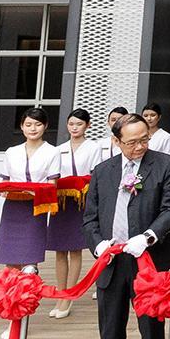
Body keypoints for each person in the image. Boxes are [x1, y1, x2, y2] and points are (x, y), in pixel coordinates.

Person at [75, 114, 170, 339]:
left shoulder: (165, 165)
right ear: (116, 141)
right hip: (111, 261)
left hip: (148, 260)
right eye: (132, 141)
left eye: (144, 139)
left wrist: (147, 237)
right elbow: (90, 218)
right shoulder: (102, 172)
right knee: (109, 330)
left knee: (150, 329)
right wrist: (98, 246)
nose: (139, 147)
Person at [47, 108, 101, 318]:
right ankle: (61, 293)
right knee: (60, 249)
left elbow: (95, 174)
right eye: (71, 124)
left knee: (75, 249)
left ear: (87, 125)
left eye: (79, 124)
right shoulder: (58, 149)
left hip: (81, 201)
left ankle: (70, 296)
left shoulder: (93, 147)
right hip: (61, 200)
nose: (74, 128)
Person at [0, 107, 58, 272]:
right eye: (28, 124)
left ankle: (28, 294)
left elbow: (53, 184)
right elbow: (5, 180)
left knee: (30, 261)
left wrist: (34, 191)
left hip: (36, 206)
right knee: (10, 259)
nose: (33, 129)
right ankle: (10, 295)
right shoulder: (11, 152)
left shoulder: (52, 152)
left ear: (45, 126)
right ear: (22, 126)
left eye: (37, 124)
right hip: (13, 206)